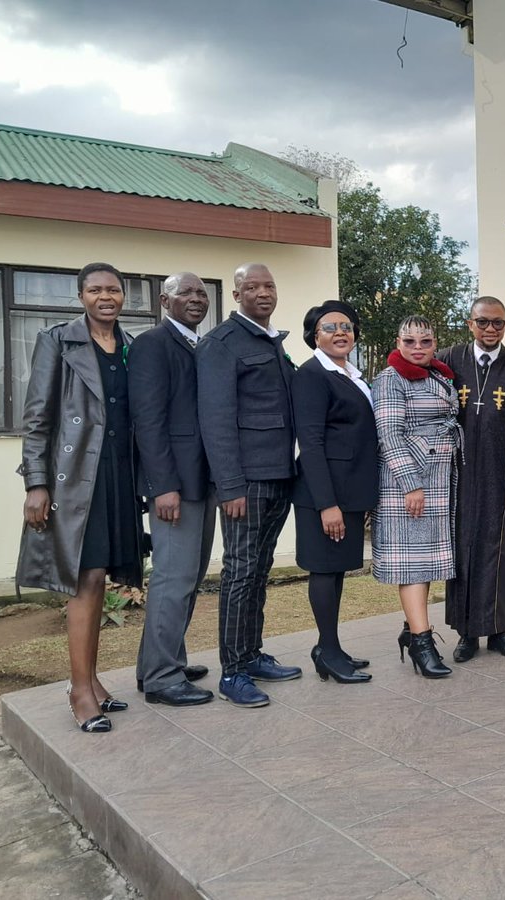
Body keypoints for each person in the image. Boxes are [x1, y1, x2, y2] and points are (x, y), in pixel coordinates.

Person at [16, 262, 144, 732]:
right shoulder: (59, 341)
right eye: (95, 290)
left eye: (113, 289)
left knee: (101, 579)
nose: (105, 297)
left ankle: (92, 681)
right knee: (84, 581)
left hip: (118, 478)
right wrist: (36, 482)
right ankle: (79, 691)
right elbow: (37, 417)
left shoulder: (130, 347)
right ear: (81, 295)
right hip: (74, 482)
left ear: (123, 296)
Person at [198, 263, 301, 708]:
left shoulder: (270, 340)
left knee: (259, 570)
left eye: (269, 285)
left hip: (280, 475)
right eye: (252, 286)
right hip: (246, 483)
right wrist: (230, 485)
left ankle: (252, 654)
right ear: (236, 294)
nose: (263, 292)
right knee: (240, 572)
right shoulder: (221, 344)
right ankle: (233, 672)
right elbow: (216, 421)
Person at [130, 272, 216, 707]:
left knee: (189, 577)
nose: (196, 298)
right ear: (165, 301)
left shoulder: (201, 345)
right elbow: (148, 421)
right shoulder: (152, 345)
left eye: (202, 292)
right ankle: (164, 678)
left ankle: (159, 664)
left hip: (203, 481)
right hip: (174, 487)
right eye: (186, 292)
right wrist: (162, 487)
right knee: (172, 579)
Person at [291, 301, 378, 685]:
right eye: (330, 327)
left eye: (346, 326)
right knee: (324, 572)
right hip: (323, 496)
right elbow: (310, 443)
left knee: (338, 570)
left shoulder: (351, 375)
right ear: (314, 335)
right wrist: (328, 504)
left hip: (350, 492)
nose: (341, 332)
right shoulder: (312, 375)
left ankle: (332, 647)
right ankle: (326, 650)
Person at [436, 297, 505, 662]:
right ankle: (466, 633)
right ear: (469, 323)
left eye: (498, 324)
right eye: (483, 322)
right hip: (460, 472)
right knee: (463, 549)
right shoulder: (448, 359)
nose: (491, 329)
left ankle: (501, 630)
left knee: (503, 550)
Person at [373, 315, 460, 678]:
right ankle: (422, 644)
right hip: (408, 482)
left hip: (438, 477)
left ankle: (412, 630)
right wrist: (411, 483)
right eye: (410, 342)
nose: (418, 348)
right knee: (412, 563)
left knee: (425, 561)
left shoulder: (438, 374)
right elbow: (390, 434)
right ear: (398, 342)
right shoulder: (391, 379)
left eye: (425, 341)